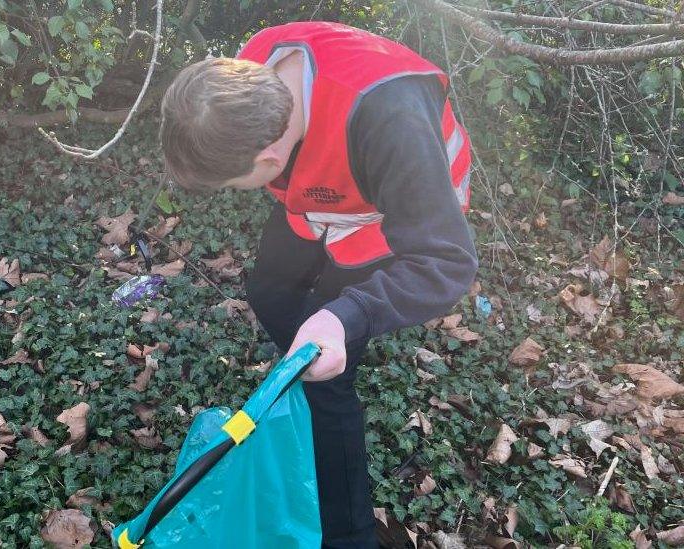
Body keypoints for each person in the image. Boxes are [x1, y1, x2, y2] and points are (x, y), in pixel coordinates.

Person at [159, 21, 478, 548]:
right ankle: (306, 367)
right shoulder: (253, 69)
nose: (237, 194)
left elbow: (445, 261)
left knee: (326, 378)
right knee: (270, 290)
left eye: (234, 186)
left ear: (268, 161)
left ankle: (350, 534)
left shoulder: (387, 119)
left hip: (388, 214)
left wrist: (341, 318)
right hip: (317, 198)